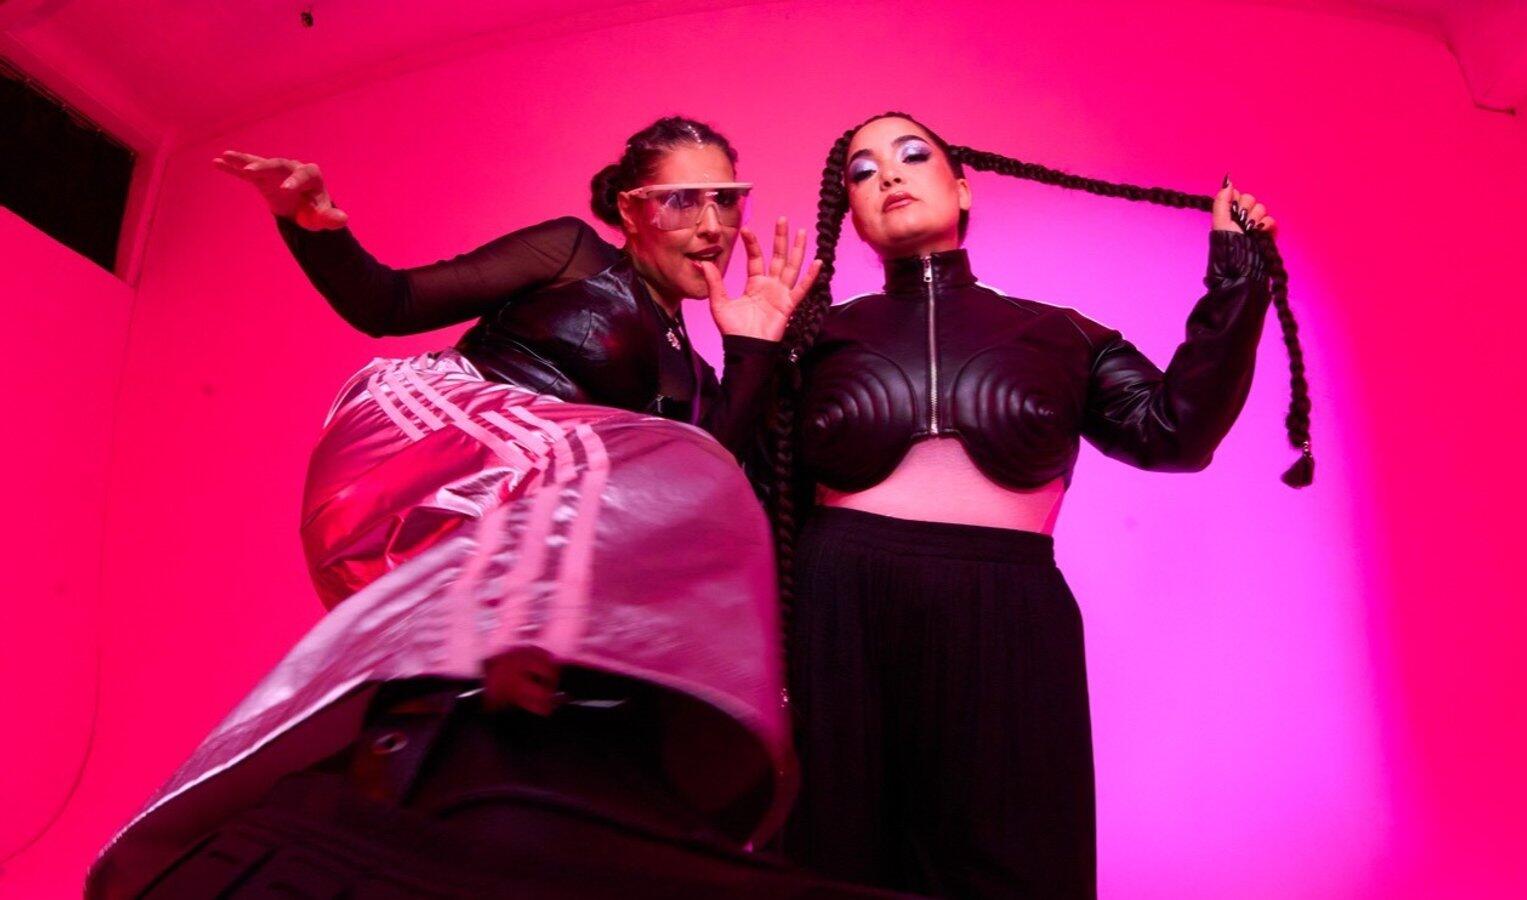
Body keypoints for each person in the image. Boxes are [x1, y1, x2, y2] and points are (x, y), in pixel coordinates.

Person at [86, 117, 899, 899]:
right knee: (634, 470)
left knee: (688, 500)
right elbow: (391, 304)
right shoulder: (570, 253)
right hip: (434, 443)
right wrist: (310, 222)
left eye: (726, 200)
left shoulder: (694, 371)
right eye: (682, 201)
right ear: (629, 211)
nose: (713, 225)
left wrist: (753, 346)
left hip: (513, 523)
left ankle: (507, 748)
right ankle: (512, 648)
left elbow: (695, 489)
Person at [758, 112, 1313, 898]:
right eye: (862, 171)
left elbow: (1176, 435)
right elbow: (753, 495)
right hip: (840, 607)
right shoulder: (813, 339)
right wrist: (754, 353)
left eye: (912, 154)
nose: (889, 175)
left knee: (1015, 859)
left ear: (963, 188)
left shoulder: (1060, 335)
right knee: (836, 857)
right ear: (849, 213)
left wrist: (1237, 279)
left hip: (1008, 610)